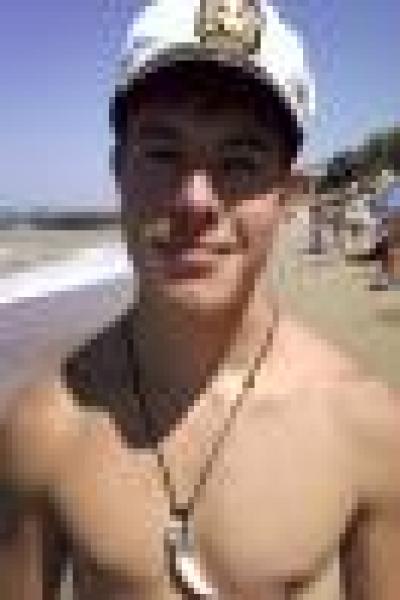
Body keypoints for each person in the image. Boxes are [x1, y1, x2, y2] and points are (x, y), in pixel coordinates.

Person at [2, 0, 400, 598]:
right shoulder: (44, 428)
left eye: (239, 161)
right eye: (164, 154)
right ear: (118, 170)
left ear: (289, 195)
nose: (195, 200)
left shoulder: (366, 425)